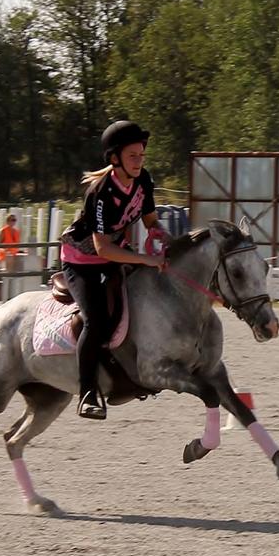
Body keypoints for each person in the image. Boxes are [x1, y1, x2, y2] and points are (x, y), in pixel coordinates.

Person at [60, 120, 169, 420]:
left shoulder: (143, 179)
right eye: (133, 156)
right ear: (114, 158)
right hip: (81, 260)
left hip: (114, 253)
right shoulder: (101, 192)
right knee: (96, 321)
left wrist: (162, 234)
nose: (139, 161)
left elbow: (150, 221)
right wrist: (146, 260)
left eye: (142, 155)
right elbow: (102, 249)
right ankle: (87, 393)